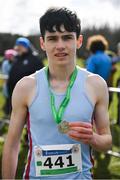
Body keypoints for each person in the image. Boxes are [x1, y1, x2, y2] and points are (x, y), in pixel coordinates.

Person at [2, 7, 112, 179]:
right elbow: (12, 145)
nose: (60, 45)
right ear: (43, 43)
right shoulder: (26, 86)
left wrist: (93, 139)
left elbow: (107, 142)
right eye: (52, 39)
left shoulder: (96, 84)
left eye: (67, 37)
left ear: (79, 41)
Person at [7, 37, 44, 112]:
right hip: (14, 95)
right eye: (17, 47)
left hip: (29, 97)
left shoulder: (34, 59)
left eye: (20, 47)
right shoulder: (17, 58)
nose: (17, 49)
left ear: (26, 47)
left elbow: (41, 77)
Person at [1, 49, 16, 115]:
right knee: (8, 99)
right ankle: (7, 112)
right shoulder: (5, 63)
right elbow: (5, 74)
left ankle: (9, 111)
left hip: (13, 83)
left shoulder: (15, 63)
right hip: (7, 84)